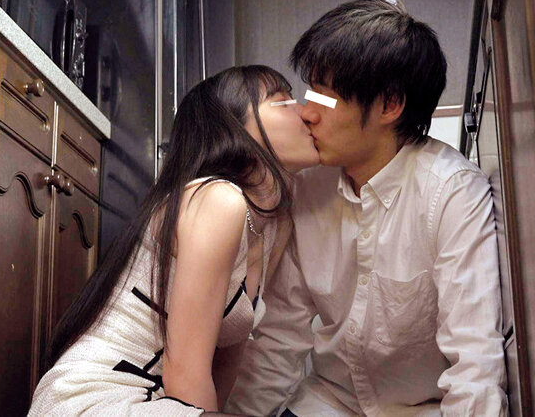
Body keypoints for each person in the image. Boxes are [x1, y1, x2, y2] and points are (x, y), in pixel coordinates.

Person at [225, 0, 508, 416]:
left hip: (422, 409)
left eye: (325, 98)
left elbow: (475, 362)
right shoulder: (308, 187)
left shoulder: (453, 193)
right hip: (328, 401)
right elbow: (280, 335)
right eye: (309, 93)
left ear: (390, 105)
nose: (306, 113)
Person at [28, 65, 319, 416]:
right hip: (94, 398)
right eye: (282, 100)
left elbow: (225, 366)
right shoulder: (217, 199)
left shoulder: (274, 225)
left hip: (160, 405)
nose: (306, 112)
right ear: (235, 127)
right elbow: (185, 375)